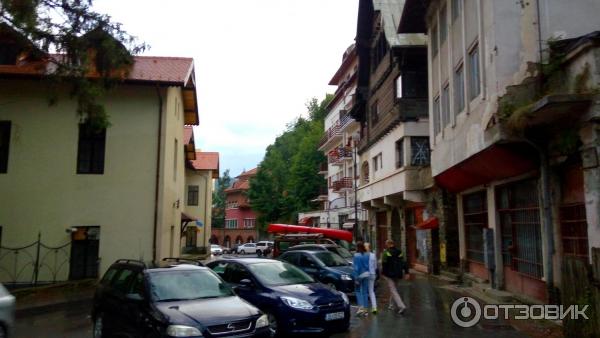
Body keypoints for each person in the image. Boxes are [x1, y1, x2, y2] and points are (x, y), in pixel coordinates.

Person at [381, 239, 407, 314]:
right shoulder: (399, 252)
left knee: (393, 290)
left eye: (386, 244)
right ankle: (391, 305)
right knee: (394, 288)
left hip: (389, 274)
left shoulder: (386, 253)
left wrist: (383, 273)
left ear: (388, 244)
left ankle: (401, 306)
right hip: (398, 273)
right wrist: (406, 272)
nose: (386, 245)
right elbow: (403, 262)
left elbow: (384, 264)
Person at [352, 241, 371, 317]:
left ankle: (361, 307)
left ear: (357, 247)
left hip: (359, 275)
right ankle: (366, 309)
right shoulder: (367, 254)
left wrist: (356, 278)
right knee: (365, 292)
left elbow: (356, 268)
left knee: (357, 291)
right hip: (367, 274)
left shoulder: (356, 255)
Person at [364, 242, 378, 314]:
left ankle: (365, 309)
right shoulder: (373, 255)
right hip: (372, 274)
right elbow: (375, 266)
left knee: (365, 292)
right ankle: (374, 308)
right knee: (371, 291)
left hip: (365, 274)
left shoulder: (362, 255)